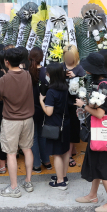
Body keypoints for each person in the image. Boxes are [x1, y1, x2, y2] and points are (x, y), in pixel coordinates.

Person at [74, 53, 107, 212]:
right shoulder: (101, 83)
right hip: (97, 133)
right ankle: (93, 195)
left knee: (104, 167)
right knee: (96, 164)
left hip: (101, 133)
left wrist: (83, 105)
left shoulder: (103, 86)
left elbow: (100, 113)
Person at [0, 48, 36, 197]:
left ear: (6, 62)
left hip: (11, 120)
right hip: (28, 119)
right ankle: (28, 181)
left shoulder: (3, 80)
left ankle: (14, 188)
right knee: (27, 149)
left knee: (11, 154)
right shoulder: (27, 75)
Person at [40, 62, 72, 190]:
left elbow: (49, 112)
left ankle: (60, 182)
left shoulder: (51, 91)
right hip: (65, 123)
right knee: (64, 152)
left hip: (55, 126)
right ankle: (63, 176)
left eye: (47, 73)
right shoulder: (65, 87)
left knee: (57, 154)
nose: (46, 75)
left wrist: (41, 101)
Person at [29, 47, 51, 172]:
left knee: (33, 137)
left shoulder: (27, 72)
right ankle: (47, 161)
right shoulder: (46, 72)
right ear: (41, 57)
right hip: (44, 108)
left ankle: (36, 164)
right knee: (43, 136)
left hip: (30, 109)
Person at [63, 44, 85, 168]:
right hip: (63, 102)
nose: (68, 59)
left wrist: (75, 77)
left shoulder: (79, 69)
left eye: (71, 57)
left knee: (73, 128)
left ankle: (70, 153)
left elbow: (84, 87)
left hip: (75, 102)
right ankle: (70, 149)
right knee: (65, 127)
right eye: (66, 57)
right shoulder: (61, 67)